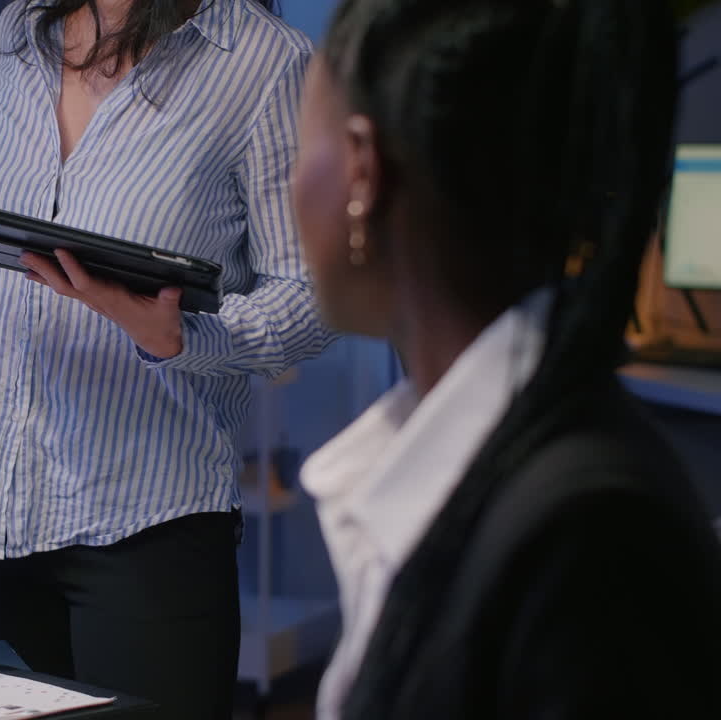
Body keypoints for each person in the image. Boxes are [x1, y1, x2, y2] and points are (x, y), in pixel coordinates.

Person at [0, 0, 331, 715]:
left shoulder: (264, 61)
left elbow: (312, 297)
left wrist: (176, 336)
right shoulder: (22, 29)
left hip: (142, 522)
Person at [291, 0, 721, 717]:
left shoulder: (585, 540)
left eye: (300, 150)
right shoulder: (487, 468)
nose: (293, 188)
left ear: (363, 172)